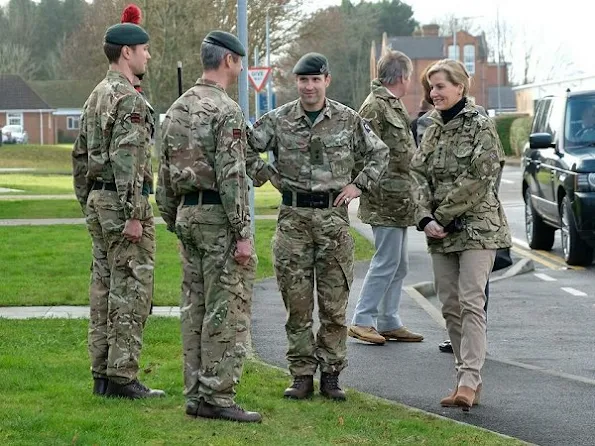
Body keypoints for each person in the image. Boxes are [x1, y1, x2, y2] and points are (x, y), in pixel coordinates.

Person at [247, 53, 389, 401]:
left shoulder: (347, 120)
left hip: (333, 222)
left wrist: (359, 184)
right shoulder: (279, 119)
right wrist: (266, 175)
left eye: (315, 80)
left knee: (333, 307)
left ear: (327, 80)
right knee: (297, 306)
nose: (309, 87)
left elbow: (380, 153)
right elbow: (242, 148)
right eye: (302, 80)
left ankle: (331, 375)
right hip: (293, 222)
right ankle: (300, 375)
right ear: (296, 83)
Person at [157, 30, 265, 423]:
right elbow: (233, 176)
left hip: (187, 215)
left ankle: (195, 394)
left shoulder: (177, 108)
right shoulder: (226, 110)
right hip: (219, 218)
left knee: (194, 307)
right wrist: (242, 233)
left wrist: (173, 217)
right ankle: (217, 396)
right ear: (229, 61)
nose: (240, 67)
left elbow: (164, 174)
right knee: (227, 308)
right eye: (239, 61)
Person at [71, 8, 164, 399]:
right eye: (143, 50)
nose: (148, 56)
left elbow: (78, 157)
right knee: (132, 289)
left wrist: (87, 201)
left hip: (98, 199)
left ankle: (102, 375)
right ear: (126, 52)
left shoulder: (96, 94)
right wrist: (132, 213)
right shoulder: (129, 101)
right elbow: (129, 162)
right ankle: (123, 376)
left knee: (103, 288)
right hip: (123, 205)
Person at [410, 59, 511, 411]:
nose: (434, 93)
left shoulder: (481, 125)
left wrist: (443, 214)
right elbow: (417, 174)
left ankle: (469, 380)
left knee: (471, 302)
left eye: (440, 86)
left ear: (460, 87)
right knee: (450, 306)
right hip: (439, 231)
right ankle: (464, 377)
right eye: (431, 87)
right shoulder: (431, 127)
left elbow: (480, 177)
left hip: (477, 228)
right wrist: (425, 218)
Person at [347, 50, 423, 345]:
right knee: (386, 260)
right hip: (384, 199)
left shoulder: (391, 105)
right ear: (403, 77)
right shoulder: (375, 107)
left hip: (399, 199)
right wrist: (365, 186)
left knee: (398, 263)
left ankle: (389, 320)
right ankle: (363, 319)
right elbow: (359, 152)